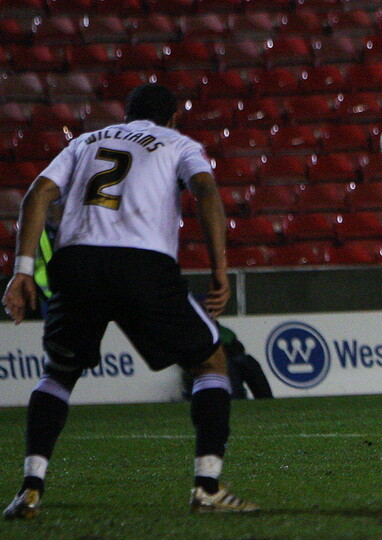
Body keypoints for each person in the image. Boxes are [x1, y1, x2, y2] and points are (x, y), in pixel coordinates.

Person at [1, 83, 258, 518]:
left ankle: (30, 488)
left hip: (76, 263)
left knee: (59, 374)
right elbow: (205, 191)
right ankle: (207, 488)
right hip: (142, 264)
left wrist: (22, 272)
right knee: (211, 363)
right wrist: (219, 270)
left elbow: (37, 195)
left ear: (125, 116)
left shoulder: (85, 142)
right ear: (174, 117)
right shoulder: (177, 142)